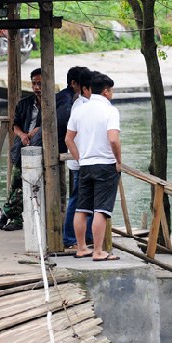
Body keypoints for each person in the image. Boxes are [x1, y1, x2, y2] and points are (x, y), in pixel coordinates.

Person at [66, 72, 121, 262]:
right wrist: (118, 160)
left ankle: (81, 247)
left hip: (85, 165)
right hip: (105, 164)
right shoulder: (110, 111)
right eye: (111, 90)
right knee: (101, 210)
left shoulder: (80, 110)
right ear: (106, 92)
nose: (112, 94)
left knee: (82, 208)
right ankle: (98, 251)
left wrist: (80, 158)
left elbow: (68, 139)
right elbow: (113, 139)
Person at [0, 68, 43, 232]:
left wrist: (36, 131)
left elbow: (48, 124)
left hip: (38, 150)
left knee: (29, 184)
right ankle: (16, 218)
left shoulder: (51, 104)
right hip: (21, 147)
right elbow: (14, 125)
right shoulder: (24, 103)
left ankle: (7, 211)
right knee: (16, 183)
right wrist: (23, 134)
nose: (37, 87)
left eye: (40, 84)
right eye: (34, 83)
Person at [61, 67, 94, 250]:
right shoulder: (80, 107)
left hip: (83, 160)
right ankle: (70, 238)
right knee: (77, 199)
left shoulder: (81, 105)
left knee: (84, 199)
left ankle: (87, 235)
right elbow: (74, 138)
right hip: (81, 160)